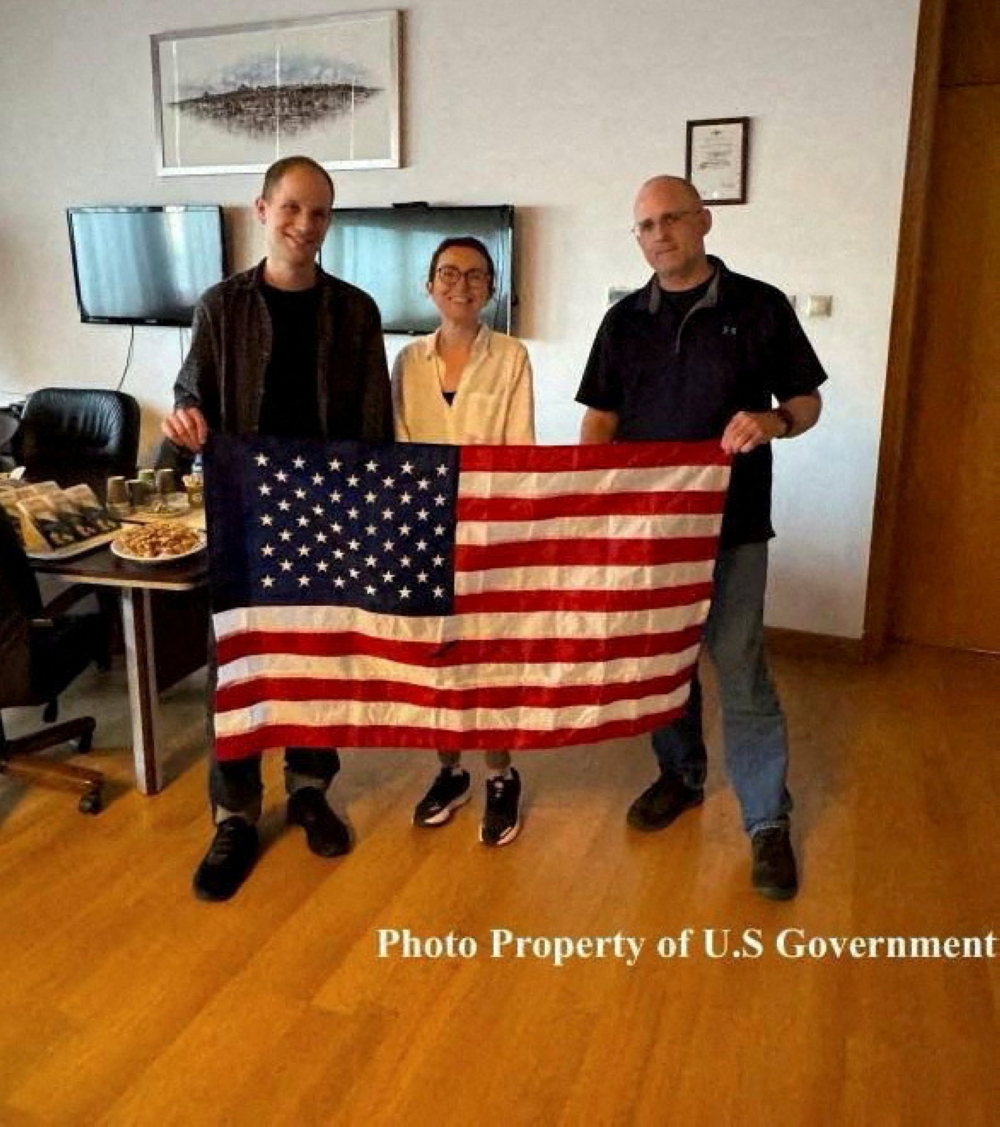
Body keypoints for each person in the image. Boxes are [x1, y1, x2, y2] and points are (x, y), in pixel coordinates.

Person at [575, 175, 826, 900]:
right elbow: (601, 418)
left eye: (671, 220)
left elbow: (806, 401)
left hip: (736, 524)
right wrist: (589, 497)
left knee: (741, 667)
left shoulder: (761, 305)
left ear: (704, 221)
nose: (659, 235)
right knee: (665, 663)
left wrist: (773, 421)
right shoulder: (624, 321)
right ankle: (679, 776)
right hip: (650, 528)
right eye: (645, 225)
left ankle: (766, 820)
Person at [162, 155, 393, 902]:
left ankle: (309, 786)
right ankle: (234, 812)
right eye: (292, 208)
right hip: (243, 510)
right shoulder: (219, 306)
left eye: (320, 212)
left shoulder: (356, 311)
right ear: (262, 209)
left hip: (327, 511)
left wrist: (369, 516)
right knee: (238, 665)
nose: (305, 224)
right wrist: (183, 422)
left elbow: (373, 425)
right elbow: (190, 390)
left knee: (314, 655)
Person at [391, 236, 535, 846]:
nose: (461, 284)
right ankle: (449, 772)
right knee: (436, 657)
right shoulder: (405, 361)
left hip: (488, 529)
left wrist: (487, 519)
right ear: (429, 285)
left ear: (491, 289)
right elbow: (396, 449)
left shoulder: (511, 356)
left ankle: (500, 775)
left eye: (476, 275)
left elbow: (519, 448)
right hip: (421, 531)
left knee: (488, 659)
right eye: (448, 273)